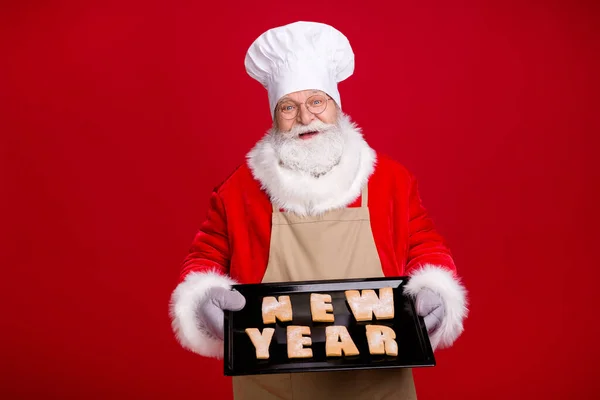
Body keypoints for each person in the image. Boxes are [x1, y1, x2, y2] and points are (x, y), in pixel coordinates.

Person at [169, 21, 468, 400]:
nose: (306, 118)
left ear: (336, 106)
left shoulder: (390, 179)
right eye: (288, 107)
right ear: (275, 116)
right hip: (273, 385)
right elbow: (206, 253)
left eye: (316, 102)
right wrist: (203, 297)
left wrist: (435, 289)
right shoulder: (240, 189)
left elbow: (423, 244)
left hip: (376, 383)